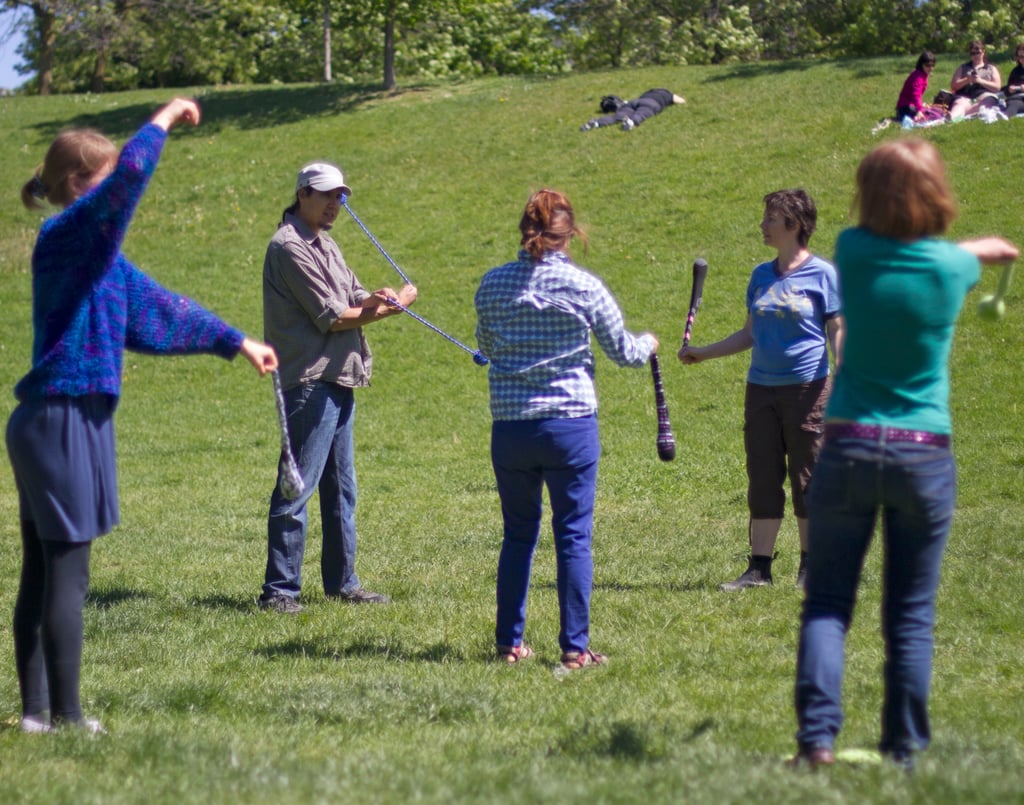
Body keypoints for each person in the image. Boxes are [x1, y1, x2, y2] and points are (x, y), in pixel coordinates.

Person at [8, 98, 279, 734]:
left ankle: (36, 715)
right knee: (66, 573)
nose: (116, 197)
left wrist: (234, 340)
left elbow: (157, 310)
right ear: (78, 185)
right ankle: (65, 720)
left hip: (61, 417)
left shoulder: (97, 260)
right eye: (100, 181)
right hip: (61, 417)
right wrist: (163, 117)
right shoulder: (68, 235)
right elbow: (129, 178)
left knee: (45, 570)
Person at [790, 138, 1018, 770]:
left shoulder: (853, 253)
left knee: (830, 602)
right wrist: (989, 248)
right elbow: (956, 255)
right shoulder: (952, 270)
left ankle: (816, 743)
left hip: (849, 447)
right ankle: (905, 753)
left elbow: (917, 248)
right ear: (938, 194)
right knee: (911, 615)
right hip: (924, 455)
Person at [474, 189, 659, 670]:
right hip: (570, 427)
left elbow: (488, 343)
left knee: (518, 535)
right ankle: (575, 648)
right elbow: (624, 352)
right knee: (573, 536)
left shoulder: (492, 285)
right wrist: (650, 343)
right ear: (570, 234)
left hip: (511, 428)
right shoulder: (584, 286)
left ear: (524, 231)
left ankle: (509, 644)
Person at [260, 162, 417, 614]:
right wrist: (393, 309)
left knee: (341, 490)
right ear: (303, 194)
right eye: (327, 195)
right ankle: (279, 592)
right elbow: (332, 318)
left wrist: (377, 297)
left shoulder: (325, 244)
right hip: (310, 380)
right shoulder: (288, 247)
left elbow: (352, 298)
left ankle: (343, 584)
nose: (335, 205)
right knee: (297, 489)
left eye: (340, 197)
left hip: (338, 377)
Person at [679, 190, 842, 592]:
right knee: (763, 478)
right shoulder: (760, 275)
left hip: (808, 389)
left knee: (807, 477)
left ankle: (811, 567)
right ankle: (759, 569)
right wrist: (703, 353)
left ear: (795, 225)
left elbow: (837, 330)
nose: (763, 225)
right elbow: (751, 333)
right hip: (761, 391)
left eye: (771, 218)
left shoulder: (824, 274)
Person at [580, 88, 686, 132]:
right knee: (642, 113)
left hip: (635, 101)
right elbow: (681, 101)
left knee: (617, 116)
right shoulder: (667, 94)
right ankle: (631, 122)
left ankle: (596, 123)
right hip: (651, 103)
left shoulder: (648, 92)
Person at [948, 40, 1002, 120]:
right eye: (973, 53)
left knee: (987, 102)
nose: (976, 56)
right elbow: (954, 85)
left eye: (978, 53)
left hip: (984, 95)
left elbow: (997, 87)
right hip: (965, 96)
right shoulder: (963, 68)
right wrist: (967, 80)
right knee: (959, 104)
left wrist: (981, 81)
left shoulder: (990, 68)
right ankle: (952, 117)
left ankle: (968, 112)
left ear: (983, 52)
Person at [895, 51, 937, 123]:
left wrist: (920, 106)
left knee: (932, 111)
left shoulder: (923, 74)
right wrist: (919, 110)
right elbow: (916, 95)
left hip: (911, 105)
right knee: (927, 116)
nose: (931, 68)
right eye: (928, 65)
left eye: (933, 65)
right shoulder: (917, 77)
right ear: (921, 64)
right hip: (905, 107)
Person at [1002, 43, 1024, 117]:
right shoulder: (1016, 71)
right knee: (1014, 104)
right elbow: (1006, 90)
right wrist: (1010, 90)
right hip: (1017, 98)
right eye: (1020, 56)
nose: (1022, 59)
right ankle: (1006, 116)